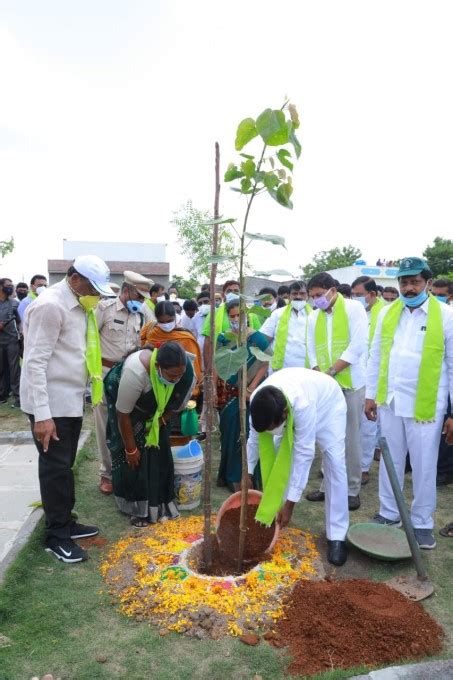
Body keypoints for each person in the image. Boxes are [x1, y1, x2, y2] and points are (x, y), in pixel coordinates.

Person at [20, 255, 116, 563]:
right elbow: (34, 362)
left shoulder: (79, 304)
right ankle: (56, 535)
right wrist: (43, 414)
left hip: (70, 399)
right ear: (74, 279)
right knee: (54, 468)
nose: (97, 295)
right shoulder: (51, 306)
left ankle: (66, 521)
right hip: (51, 403)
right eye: (92, 288)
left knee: (65, 465)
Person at [365, 257, 453, 549]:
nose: (408, 287)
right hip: (390, 401)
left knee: (424, 465)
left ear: (427, 282)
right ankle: (389, 513)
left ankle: (421, 523)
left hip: (426, 406)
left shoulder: (446, 315)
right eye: (404, 281)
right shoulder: (388, 313)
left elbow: (452, 366)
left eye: (414, 281)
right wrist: (371, 395)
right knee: (390, 459)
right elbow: (376, 356)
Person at [247, 368, 349, 566]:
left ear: (284, 414)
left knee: (335, 462)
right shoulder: (257, 404)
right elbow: (254, 440)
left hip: (329, 407)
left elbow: (304, 454)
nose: (269, 432)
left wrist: (291, 504)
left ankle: (337, 535)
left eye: (271, 428)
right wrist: (248, 471)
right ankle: (275, 516)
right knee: (279, 457)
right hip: (296, 402)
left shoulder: (304, 404)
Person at [105, 342, 195, 526]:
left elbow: (176, 404)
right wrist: (130, 450)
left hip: (157, 409)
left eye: (179, 375)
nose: (176, 380)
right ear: (157, 367)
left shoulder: (185, 372)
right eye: (171, 376)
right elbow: (123, 414)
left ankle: (160, 501)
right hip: (127, 407)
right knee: (134, 457)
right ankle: (135, 507)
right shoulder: (135, 373)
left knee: (159, 449)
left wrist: (160, 421)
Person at [306, 272, 368, 510]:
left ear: (333, 290)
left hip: (350, 383)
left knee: (350, 438)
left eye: (319, 295)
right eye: (313, 297)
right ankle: (327, 486)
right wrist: (319, 372)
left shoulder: (354, 309)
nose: (316, 301)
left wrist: (330, 372)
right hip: (326, 385)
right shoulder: (314, 317)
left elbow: (357, 346)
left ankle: (352, 489)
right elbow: (311, 349)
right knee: (327, 437)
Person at [94, 270, 154, 495]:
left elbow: (150, 335)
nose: (140, 301)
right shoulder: (104, 309)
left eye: (143, 298)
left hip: (130, 373)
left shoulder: (142, 313)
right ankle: (106, 473)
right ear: (126, 290)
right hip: (106, 370)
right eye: (138, 297)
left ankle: (124, 469)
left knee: (125, 419)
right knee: (104, 423)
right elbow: (88, 340)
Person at [217, 300, 270, 491]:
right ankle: (230, 476)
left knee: (247, 435)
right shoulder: (224, 338)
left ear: (246, 316)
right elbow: (220, 363)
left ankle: (246, 477)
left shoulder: (256, 338)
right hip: (230, 394)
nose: (235, 319)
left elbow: (265, 363)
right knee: (229, 434)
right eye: (231, 316)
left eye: (239, 315)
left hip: (251, 394)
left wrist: (250, 389)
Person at [351, 276, 385, 485]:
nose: (355, 299)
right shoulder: (355, 313)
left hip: (375, 378)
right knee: (353, 426)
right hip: (355, 377)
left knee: (368, 426)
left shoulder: (385, 314)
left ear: (372, 295)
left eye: (359, 295)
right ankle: (353, 466)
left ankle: (363, 468)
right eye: (353, 295)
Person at [140, 301, 202, 390]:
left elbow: (193, 369)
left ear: (175, 317)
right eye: (161, 322)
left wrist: (194, 390)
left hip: (179, 385)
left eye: (169, 321)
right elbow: (141, 351)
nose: (166, 325)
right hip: (151, 382)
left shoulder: (186, 338)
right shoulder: (150, 329)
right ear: (156, 319)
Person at [260, 281, 311, 373]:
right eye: (294, 293)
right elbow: (264, 339)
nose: (298, 297)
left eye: (302, 293)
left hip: (307, 372)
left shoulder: (315, 316)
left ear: (308, 296)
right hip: (280, 370)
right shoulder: (277, 314)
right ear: (290, 296)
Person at [0, 278, 21, 407]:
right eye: (8, 285)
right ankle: (2, 395)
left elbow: (20, 320)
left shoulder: (15, 303)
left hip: (12, 340)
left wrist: (22, 333)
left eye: (11, 285)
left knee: (14, 369)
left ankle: (18, 396)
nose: (11, 287)